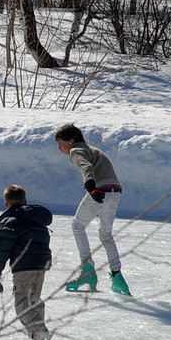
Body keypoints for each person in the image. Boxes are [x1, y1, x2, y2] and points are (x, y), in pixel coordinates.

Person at [55, 123, 132, 296]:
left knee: (77, 226)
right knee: (106, 233)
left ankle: (87, 271)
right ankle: (117, 275)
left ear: (71, 140)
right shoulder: (94, 149)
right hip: (115, 191)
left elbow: (86, 167)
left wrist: (91, 187)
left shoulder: (76, 151)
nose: (59, 148)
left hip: (100, 191)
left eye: (60, 143)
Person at [0, 185, 54, 340]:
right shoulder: (36, 219)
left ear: (6, 205)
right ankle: (37, 336)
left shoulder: (9, 222)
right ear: (25, 201)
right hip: (41, 264)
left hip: (23, 267)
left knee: (22, 304)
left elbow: (1, 249)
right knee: (34, 299)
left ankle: (38, 331)